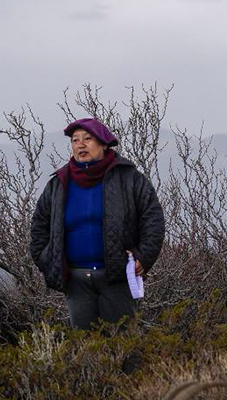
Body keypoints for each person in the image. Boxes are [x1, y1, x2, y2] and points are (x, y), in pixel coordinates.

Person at [29, 117, 165, 330]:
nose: (80, 145)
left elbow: (153, 219)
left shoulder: (129, 178)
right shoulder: (59, 183)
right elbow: (39, 226)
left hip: (117, 277)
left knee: (123, 343)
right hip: (76, 280)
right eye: (75, 140)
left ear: (104, 143)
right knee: (85, 349)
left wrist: (144, 256)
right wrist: (48, 260)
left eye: (88, 139)